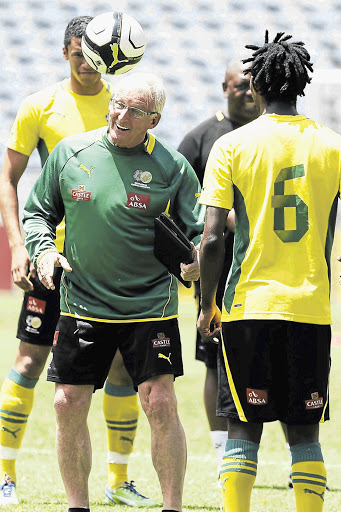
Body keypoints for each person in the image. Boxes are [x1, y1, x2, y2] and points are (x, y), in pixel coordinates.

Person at [23, 72, 204, 512]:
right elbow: (37, 213)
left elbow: (199, 233)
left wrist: (198, 259)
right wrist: (44, 252)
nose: (120, 115)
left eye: (135, 110)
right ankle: (77, 506)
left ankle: (172, 507)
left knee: (159, 403)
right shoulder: (70, 152)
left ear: (154, 120)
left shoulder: (173, 168)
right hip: (83, 301)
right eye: (117, 104)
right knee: (67, 402)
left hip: (149, 306)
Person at [0, 16, 155, 508]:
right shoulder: (39, 106)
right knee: (29, 361)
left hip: (112, 260)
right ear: (66, 50)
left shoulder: (123, 104)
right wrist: (21, 246)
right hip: (55, 260)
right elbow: (9, 177)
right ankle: (5, 474)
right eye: (78, 54)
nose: (87, 64)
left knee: (120, 370)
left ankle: (118, 480)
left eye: (93, 55)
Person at [198, 30, 340, 512]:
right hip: (311, 307)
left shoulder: (232, 146)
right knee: (305, 430)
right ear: (301, 84)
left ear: (255, 85)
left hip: (247, 307)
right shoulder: (334, 146)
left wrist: (206, 306)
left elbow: (214, 237)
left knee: (244, 425)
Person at [177, 60, 258, 469]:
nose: (248, 91)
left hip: (265, 263)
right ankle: (221, 451)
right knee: (214, 357)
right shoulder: (202, 137)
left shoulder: (271, 133)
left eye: (254, 84)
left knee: (267, 352)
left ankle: (294, 452)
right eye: (240, 84)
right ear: (224, 87)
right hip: (218, 264)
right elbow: (176, 191)